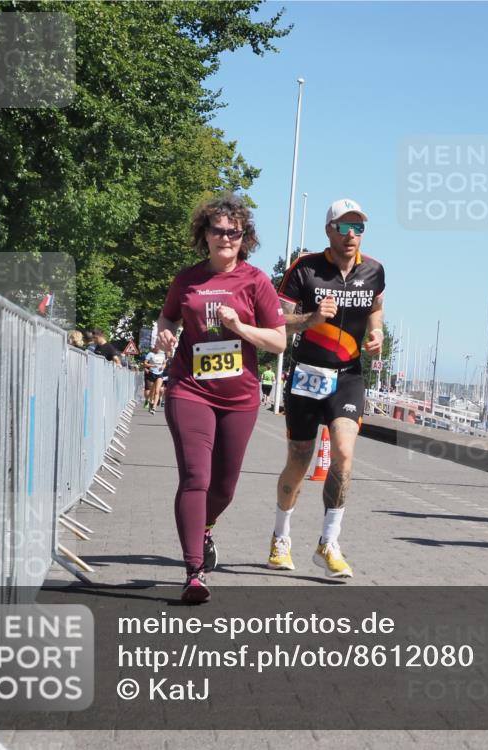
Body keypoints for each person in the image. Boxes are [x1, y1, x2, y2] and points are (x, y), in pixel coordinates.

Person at [156, 193, 286, 603]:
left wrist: (242, 327)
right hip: (189, 388)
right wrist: (164, 333)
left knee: (224, 487)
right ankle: (194, 572)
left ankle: (206, 525)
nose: (226, 237)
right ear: (205, 234)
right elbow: (168, 316)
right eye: (218, 230)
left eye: (234, 232)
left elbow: (279, 341)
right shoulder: (188, 279)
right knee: (196, 476)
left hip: (239, 397)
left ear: (244, 236)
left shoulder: (255, 280)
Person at [270, 198, 384, 579]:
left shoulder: (374, 270)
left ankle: (329, 542)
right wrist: (312, 318)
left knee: (345, 454)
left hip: (348, 375)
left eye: (359, 228)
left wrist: (377, 332)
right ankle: (281, 537)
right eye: (344, 227)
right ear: (328, 230)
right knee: (299, 460)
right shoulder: (305, 269)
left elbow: (377, 308)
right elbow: (278, 320)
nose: (352, 235)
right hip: (306, 373)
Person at [143, 343, 167, 414]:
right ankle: (151, 402)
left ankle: (154, 407)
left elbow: (164, 363)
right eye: (157, 346)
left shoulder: (163, 354)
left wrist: (163, 366)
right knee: (151, 391)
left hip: (160, 374)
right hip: (152, 373)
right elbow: (145, 363)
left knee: (157, 391)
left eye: (159, 347)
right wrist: (152, 365)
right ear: (154, 347)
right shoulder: (150, 354)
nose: (158, 348)